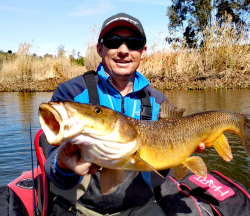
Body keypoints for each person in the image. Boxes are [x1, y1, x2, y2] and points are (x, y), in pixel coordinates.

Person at [44, 12, 205, 215]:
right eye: (113, 41)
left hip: (141, 207)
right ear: (100, 48)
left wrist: (179, 152)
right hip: (81, 208)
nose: (123, 50)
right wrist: (61, 163)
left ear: (143, 51)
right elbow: (52, 167)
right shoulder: (70, 95)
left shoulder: (157, 101)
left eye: (133, 43)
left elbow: (157, 178)